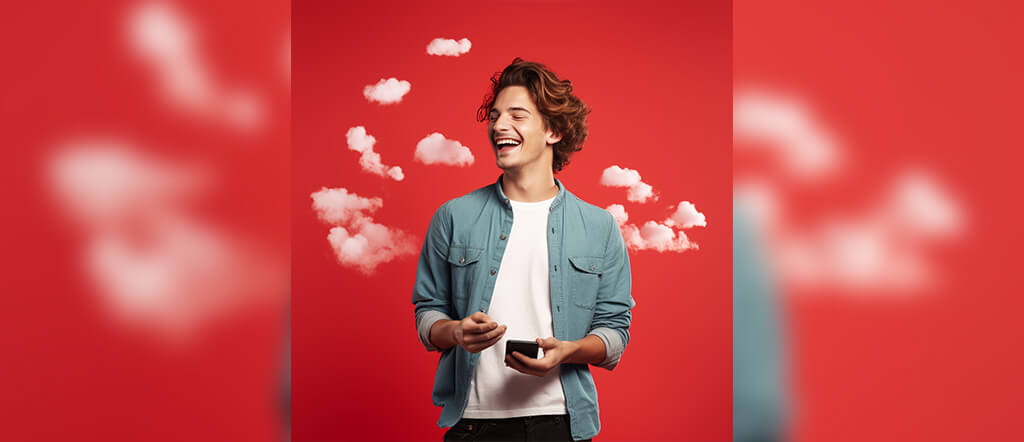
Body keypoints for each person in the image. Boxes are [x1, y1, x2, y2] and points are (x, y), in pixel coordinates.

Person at [412, 58, 635, 441]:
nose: (499, 126)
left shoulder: (600, 227)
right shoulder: (453, 217)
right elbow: (427, 313)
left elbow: (615, 330)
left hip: (561, 423)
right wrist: (455, 332)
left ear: (553, 131)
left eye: (517, 115)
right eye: (495, 116)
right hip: (472, 424)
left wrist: (569, 350)